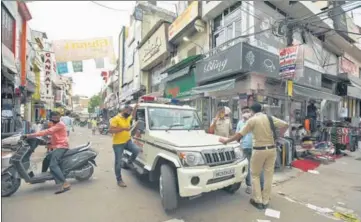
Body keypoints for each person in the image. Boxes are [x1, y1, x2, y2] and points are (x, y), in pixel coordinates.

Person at [219, 103, 288, 210]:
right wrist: (279, 136)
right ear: (261, 109)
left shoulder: (252, 120)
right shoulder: (269, 118)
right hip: (271, 149)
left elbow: (239, 135)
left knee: (255, 175)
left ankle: (258, 200)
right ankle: (265, 200)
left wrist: (226, 141)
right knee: (268, 175)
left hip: (259, 150)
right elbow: (285, 125)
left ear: (252, 111)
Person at [25, 111, 71, 194]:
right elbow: (52, 134)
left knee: (53, 165)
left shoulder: (60, 124)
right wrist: (48, 142)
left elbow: (47, 131)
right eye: (54, 117)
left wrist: (29, 135)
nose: (55, 119)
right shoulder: (54, 124)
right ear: (51, 117)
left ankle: (65, 183)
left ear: (59, 117)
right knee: (46, 159)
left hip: (62, 146)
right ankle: (43, 177)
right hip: (56, 146)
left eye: (57, 117)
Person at [109, 103, 140, 187]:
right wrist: (123, 129)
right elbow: (111, 130)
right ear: (124, 110)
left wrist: (135, 108)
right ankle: (119, 180)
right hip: (118, 144)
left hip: (127, 141)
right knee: (118, 162)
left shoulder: (127, 117)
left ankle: (129, 162)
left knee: (136, 150)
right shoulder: (115, 119)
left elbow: (132, 116)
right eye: (128, 111)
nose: (129, 114)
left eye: (130, 112)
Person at [236, 106, 264, 194]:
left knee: (258, 167)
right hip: (245, 147)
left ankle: (261, 187)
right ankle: (249, 186)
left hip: (255, 147)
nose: (245, 114)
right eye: (243, 112)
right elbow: (238, 134)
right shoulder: (240, 123)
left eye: (247, 112)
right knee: (247, 167)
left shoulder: (255, 121)